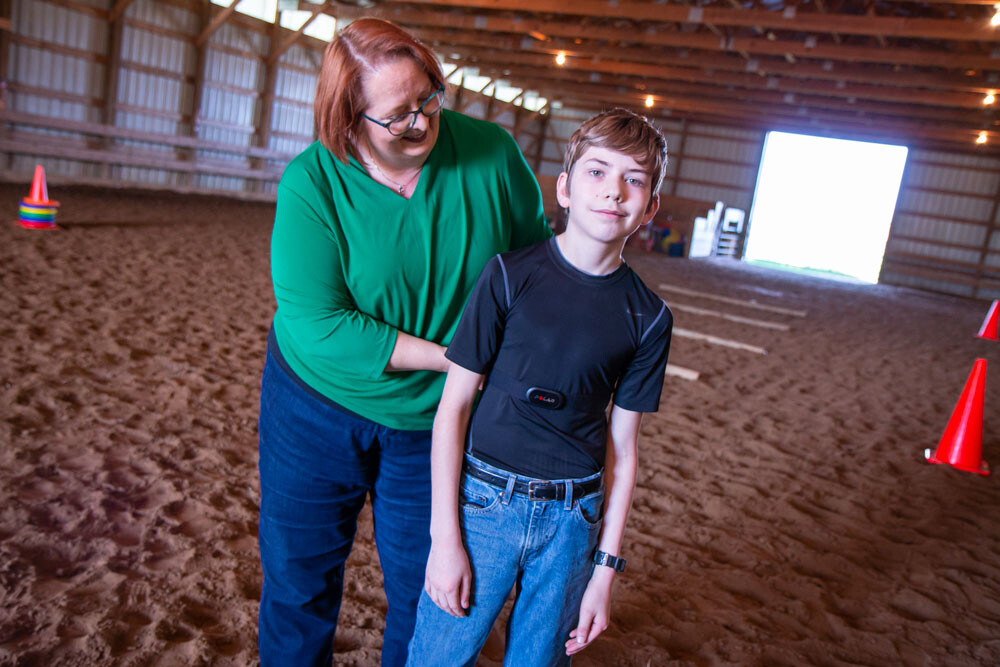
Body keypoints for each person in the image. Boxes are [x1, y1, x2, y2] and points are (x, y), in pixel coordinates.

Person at [256, 18, 551, 667]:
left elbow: (535, 265)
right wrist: (458, 357)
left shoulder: (492, 155)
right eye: (398, 115)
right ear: (348, 119)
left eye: (428, 99)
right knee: (299, 580)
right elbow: (319, 322)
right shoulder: (314, 183)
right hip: (315, 404)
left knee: (431, 591)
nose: (421, 121)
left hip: (436, 420)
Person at [405, 108, 673, 666]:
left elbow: (624, 451)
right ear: (566, 188)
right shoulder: (507, 275)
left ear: (648, 209)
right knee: (437, 657)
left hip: (573, 524)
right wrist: (444, 540)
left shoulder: (648, 317)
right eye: (597, 172)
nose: (613, 191)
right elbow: (452, 408)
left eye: (635, 180)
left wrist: (605, 572)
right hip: (483, 505)